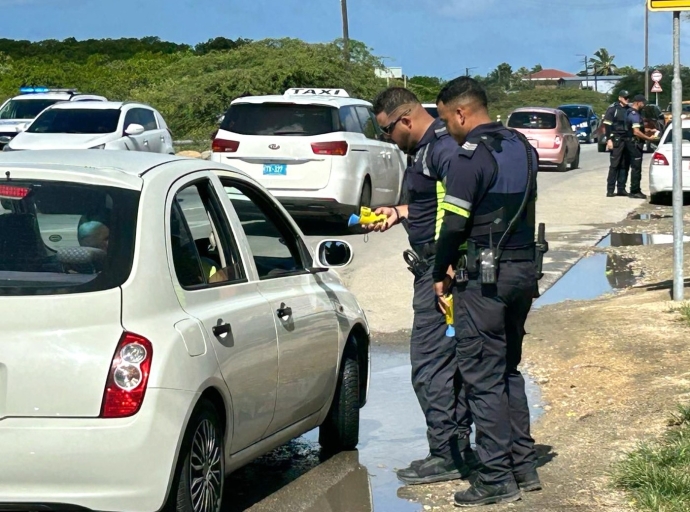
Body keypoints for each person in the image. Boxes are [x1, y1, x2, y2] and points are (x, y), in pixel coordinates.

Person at [432, 76, 541, 507]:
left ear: (461, 112)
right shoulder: (523, 146)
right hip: (523, 273)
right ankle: (523, 466)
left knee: (482, 377)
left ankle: (496, 477)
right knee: (509, 368)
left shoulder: (468, 158)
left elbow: (454, 224)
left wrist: (440, 271)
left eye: (446, 120)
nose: (448, 129)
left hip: (485, 280)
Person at [367, 87, 477, 485]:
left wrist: (444, 269)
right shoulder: (429, 150)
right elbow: (436, 205)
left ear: (406, 120)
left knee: (431, 365)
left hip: (441, 270)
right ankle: (453, 449)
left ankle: (449, 453)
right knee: (444, 364)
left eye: (386, 131)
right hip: (438, 266)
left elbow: (464, 208)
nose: (386, 139)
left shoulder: (442, 150)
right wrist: (398, 212)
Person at [626, 94, 659, 199]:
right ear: (638, 102)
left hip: (634, 143)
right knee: (636, 168)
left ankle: (636, 189)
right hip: (634, 144)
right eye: (643, 103)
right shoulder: (634, 114)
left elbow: (638, 129)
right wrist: (648, 139)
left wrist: (649, 131)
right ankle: (634, 191)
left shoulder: (635, 113)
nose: (644, 105)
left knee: (636, 167)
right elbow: (636, 132)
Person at [603, 90, 632, 197]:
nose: (627, 100)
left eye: (628, 98)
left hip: (627, 139)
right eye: (625, 97)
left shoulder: (629, 110)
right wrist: (609, 139)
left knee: (625, 165)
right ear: (620, 98)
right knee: (614, 165)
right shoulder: (613, 109)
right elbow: (607, 125)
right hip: (616, 139)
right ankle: (610, 190)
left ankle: (621, 188)